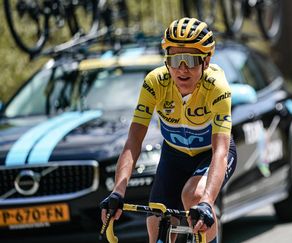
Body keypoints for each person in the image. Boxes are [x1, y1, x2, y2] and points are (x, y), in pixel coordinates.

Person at [100, 17, 237, 243]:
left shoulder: (217, 87)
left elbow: (220, 152)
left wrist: (206, 201)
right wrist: (118, 192)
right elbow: (133, 141)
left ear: (206, 60)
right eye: (175, 59)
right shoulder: (155, 83)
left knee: (194, 196)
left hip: (210, 155)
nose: (182, 69)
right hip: (174, 155)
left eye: (191, 60)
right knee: (156, 219)